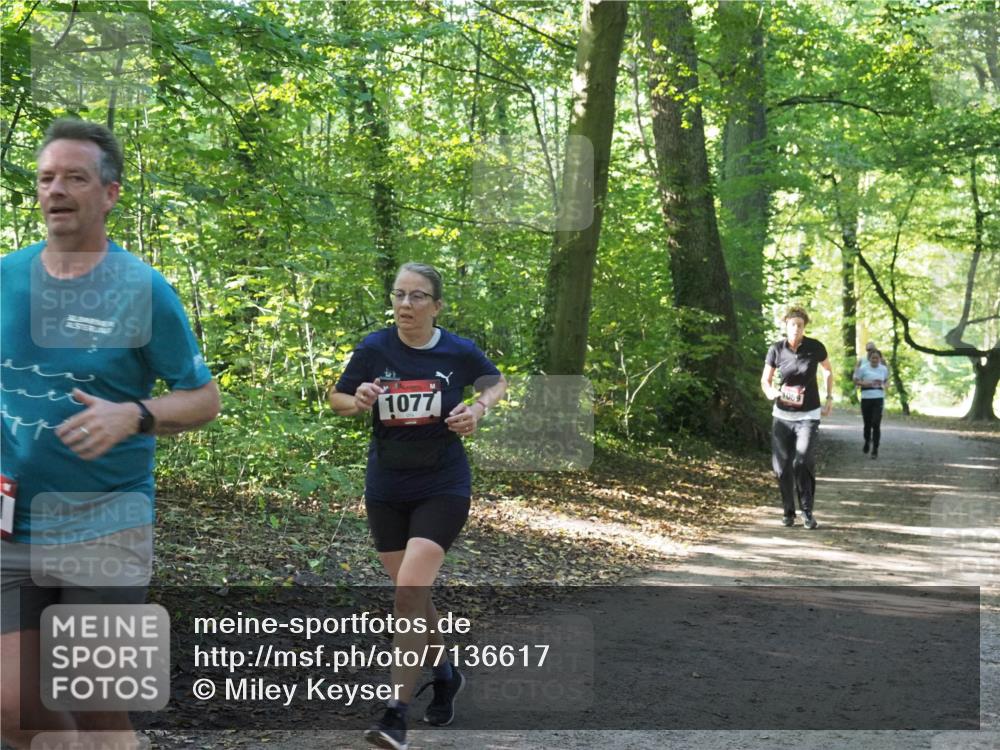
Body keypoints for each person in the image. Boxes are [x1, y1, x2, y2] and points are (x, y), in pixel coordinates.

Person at [1, 119, 221, 749]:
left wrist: (136, 414)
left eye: (75, 177)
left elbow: (204, 398)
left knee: (97, 706)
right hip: (12, 525)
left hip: (107, 523)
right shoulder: (5, 277)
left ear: (110, 193)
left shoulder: (142, 290)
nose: (56, 190)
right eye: (46, 177)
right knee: (14, 711)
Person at [328, 262, 506, 750]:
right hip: (386, 486)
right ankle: (445, 673)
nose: (406, 305)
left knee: (409, 589)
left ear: (437, 305)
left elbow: (496, 381)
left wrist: (478, 408)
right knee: (414, 595)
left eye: (418, 296)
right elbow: (336, 398)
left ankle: (395, 714)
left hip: (443, 485)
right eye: (399, 295)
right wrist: (357, 398)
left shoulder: (458, 350)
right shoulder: (374, 348)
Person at [760, 307, 834, 529]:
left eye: (800, 325)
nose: (796, 328)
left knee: (802, 461)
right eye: (792, 324)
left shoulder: (815, 347)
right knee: (781, 466)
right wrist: (771, 392)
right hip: (782, 415)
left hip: (808, 415)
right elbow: (765, 380)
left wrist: (829, 398)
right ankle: (788, 511)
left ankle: (808, 512)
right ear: (786, 325)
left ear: (804, 327)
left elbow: (828, 370)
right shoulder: (776, 349)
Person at [853, 348, 889, 458]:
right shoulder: (863, 369)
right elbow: (856, 380)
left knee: (876, 423)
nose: (875, 360)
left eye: (877, 358)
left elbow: (886, 381)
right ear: (869, 358)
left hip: (879, 397)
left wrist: (885, 385)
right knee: (867, 423)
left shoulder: (883, 369)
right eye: (873, 358)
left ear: (880, 359)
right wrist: (865, 383)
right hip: (866, 397)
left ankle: (875, 449)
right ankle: (867, 441)